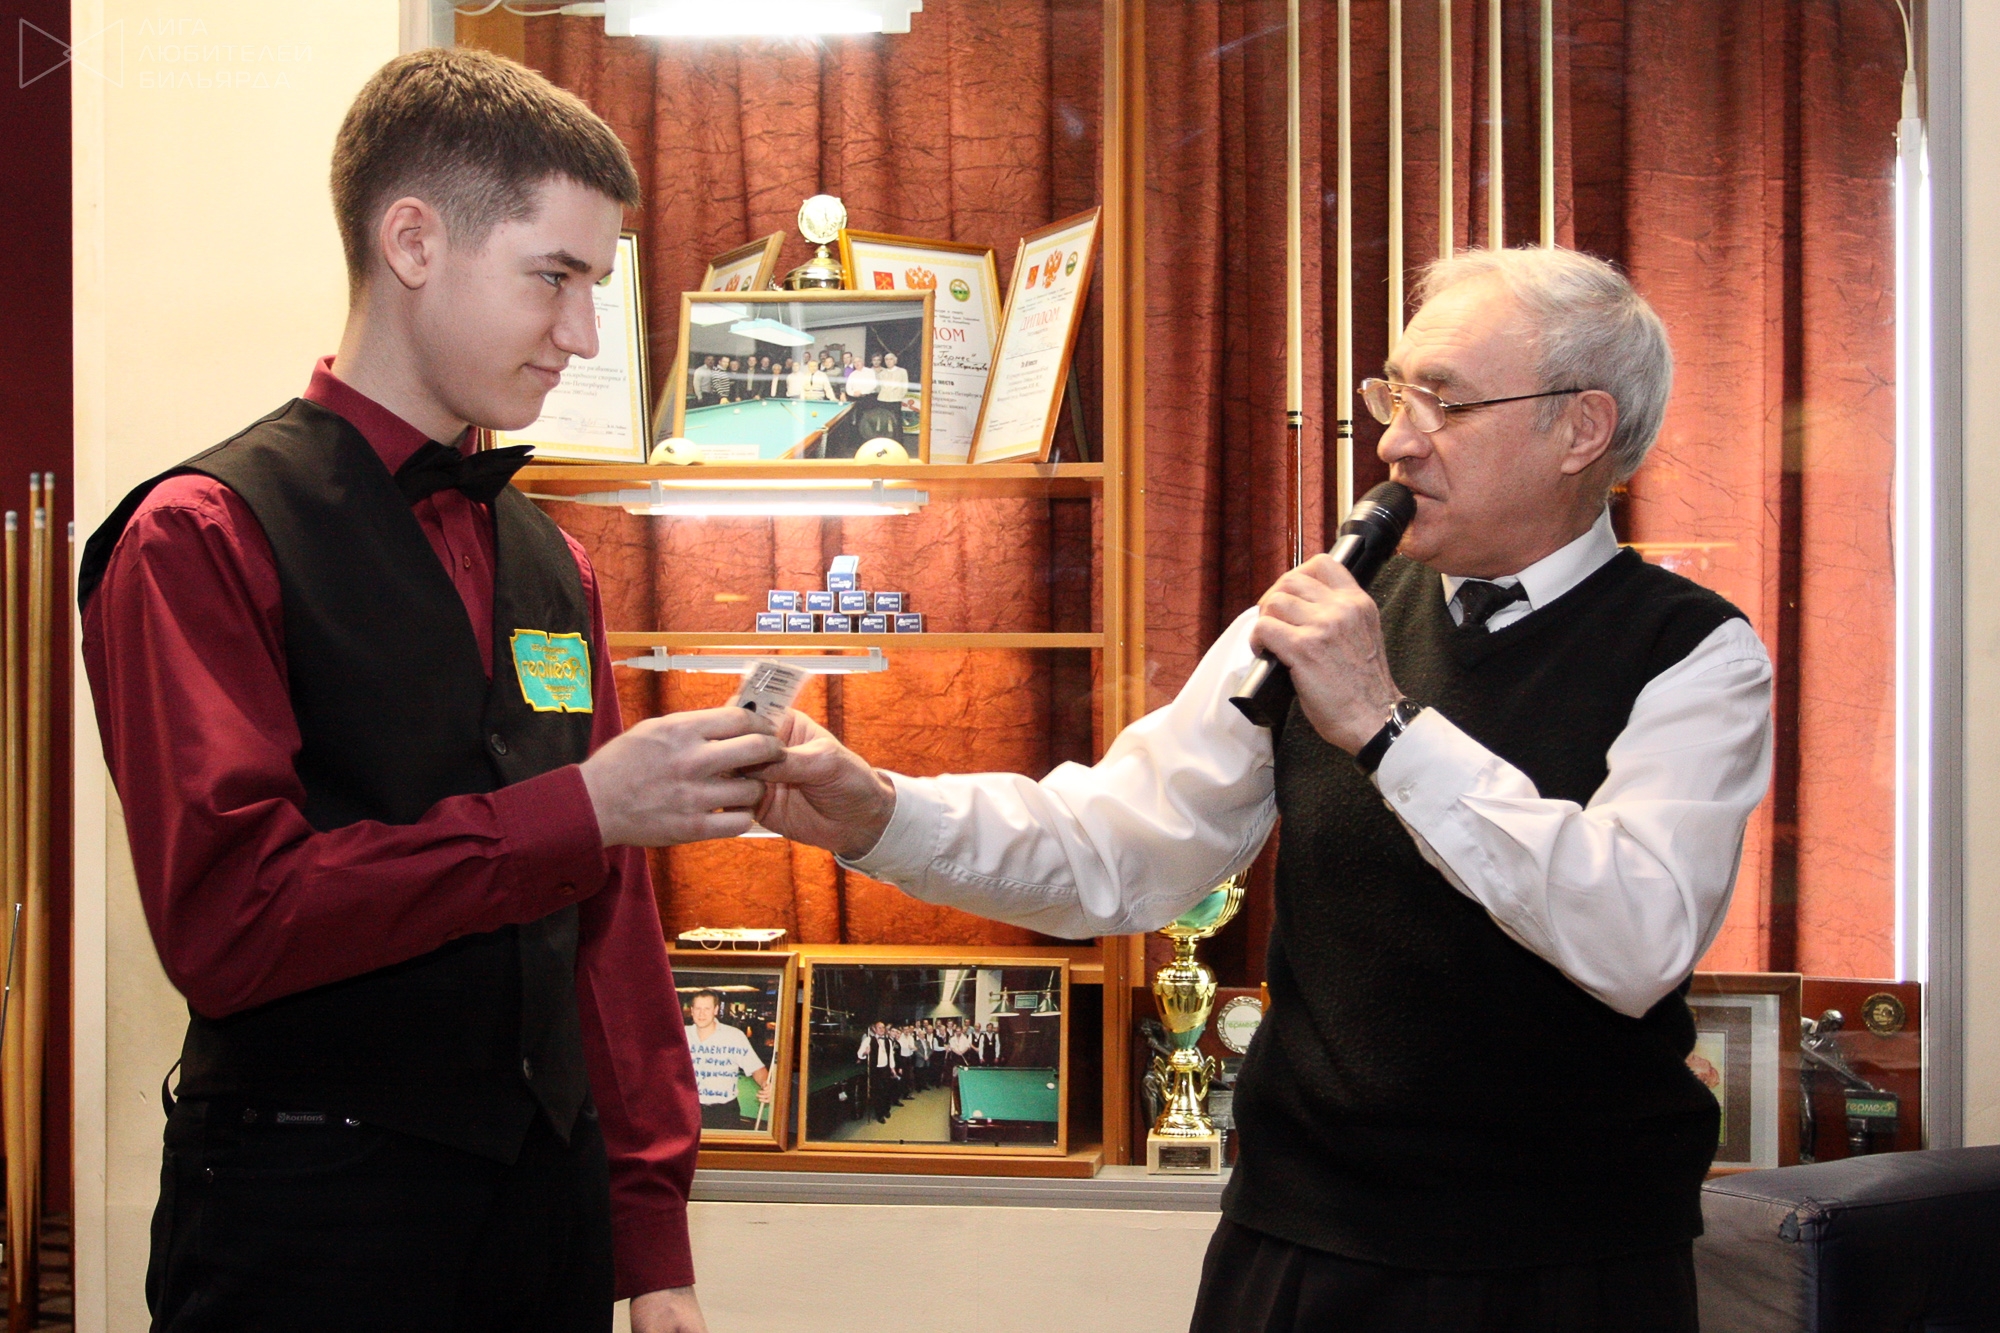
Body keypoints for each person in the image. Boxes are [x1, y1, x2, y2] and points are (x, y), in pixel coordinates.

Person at [758, 246, 1773, 1333]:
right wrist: (883, 814)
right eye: (1395, 395)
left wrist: (1386, 726)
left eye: (1445, 401)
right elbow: (1118, 847)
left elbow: (1635, 934)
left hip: (1568, 1266)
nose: (1395, 441)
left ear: (1580, 429)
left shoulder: (1693, 654)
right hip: (1299, 1245)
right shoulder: (1317, 620)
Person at [80, 48, 774, 1333]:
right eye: (553, 278)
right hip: (306, 1220)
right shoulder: (200, 534)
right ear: (411, 242)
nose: (582, 335)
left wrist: (650, 1235)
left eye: (595, 287)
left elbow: (607, 923)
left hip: (544, 1223)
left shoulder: (552, 559)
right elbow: (233, 922)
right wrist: (577, 810)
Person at [684, 991, 770, 1131]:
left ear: (716, 1010)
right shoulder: (681, 1035)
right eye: (698, 1008)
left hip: (724, 1113)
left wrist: (766, 1085)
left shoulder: (734, 1036)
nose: (701, 1014)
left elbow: (757, 1069)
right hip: (688, 1110)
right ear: (692, 1010)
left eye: (707, 1009)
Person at [855, 1021, 900, 1122]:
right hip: (875, 1070)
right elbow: (859, 1054)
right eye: (879, 1027)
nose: (881, 1029)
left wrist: (892, 1069)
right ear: (874, 1029)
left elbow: (890, 1056)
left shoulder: (888, 1041)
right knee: (878, 1092)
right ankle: (879, 1114)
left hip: (886, 1069)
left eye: (883, 1027)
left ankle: (886, 1110)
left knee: (887, 1090)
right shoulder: (868, 1040)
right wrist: (866, 1052)